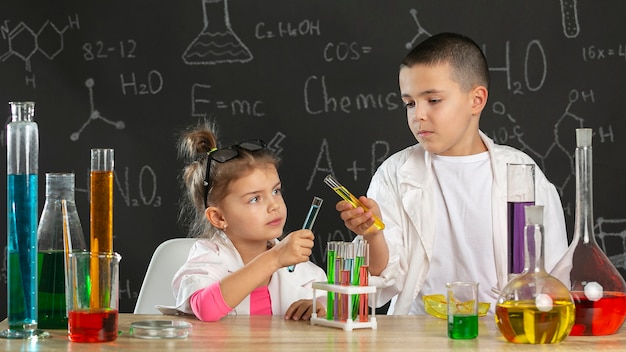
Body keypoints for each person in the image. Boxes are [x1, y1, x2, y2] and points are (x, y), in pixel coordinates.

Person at [333, 32, 571, 315]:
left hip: (502, 335)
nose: (418, 114)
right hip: (416, 337)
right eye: (409, 103)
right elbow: (381, 285)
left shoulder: (522, 175)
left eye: (433, 100)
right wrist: (373, 236)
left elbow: (554, 281)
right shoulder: (395, 174)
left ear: (476, 100)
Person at [169, 120, 327, 321]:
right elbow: (206, 309)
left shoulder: (294, 263)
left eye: (276, 191)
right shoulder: (209, 256)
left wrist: (318, 307)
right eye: (254, 199)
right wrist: (274, 258)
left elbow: (331, 300)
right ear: (218, 217)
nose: (274, 205)